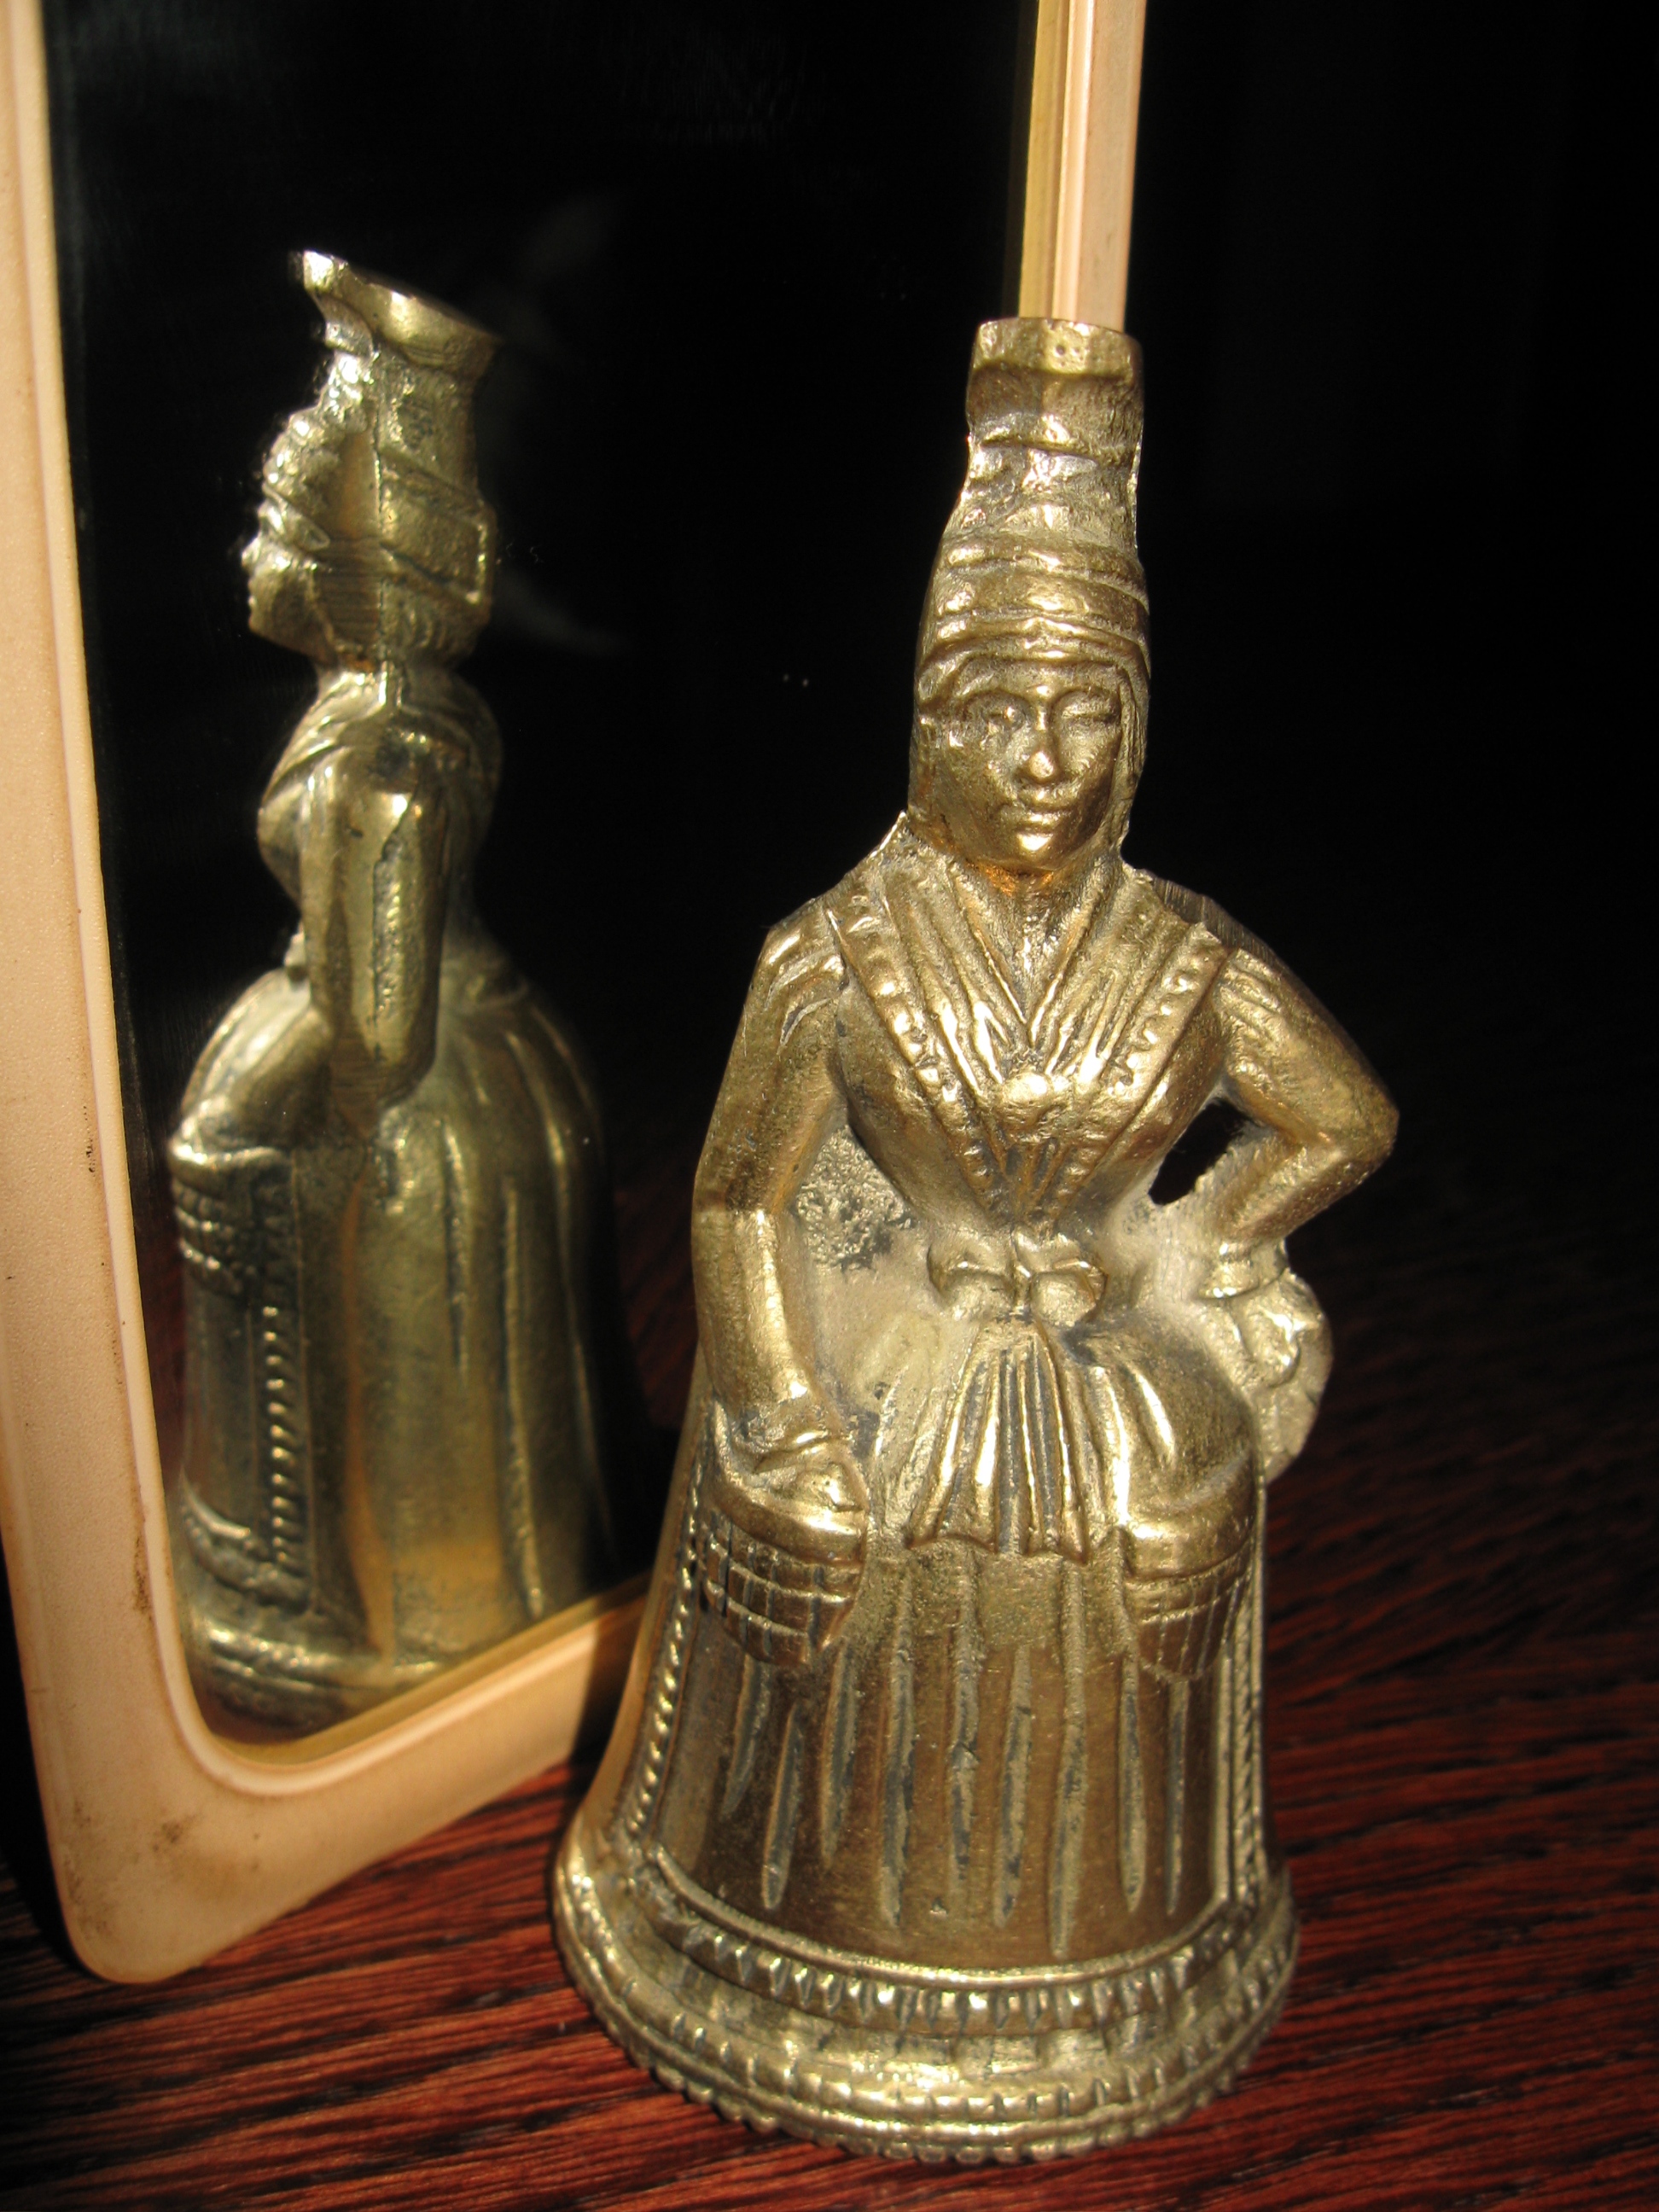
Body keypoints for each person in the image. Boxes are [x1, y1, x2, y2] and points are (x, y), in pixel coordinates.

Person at [556, 317, 1397, 2157]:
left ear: (1138, 726)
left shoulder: (1185, 956)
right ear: (929, 719)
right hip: (896, 1377)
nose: (1041, 757)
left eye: (1087, 711)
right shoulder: (833, 956)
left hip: (1103, 1401)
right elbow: (738, 1194)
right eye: (998, 710)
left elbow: (1345, 1117)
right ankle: (766, 1939)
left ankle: (1123, 1968)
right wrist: (782, 1408)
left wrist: (1211, 1244)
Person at [170, 255, 620, 1727]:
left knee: (384, 1427)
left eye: (277, 523)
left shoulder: (376, 755)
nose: (253, 547)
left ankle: (388, 1618)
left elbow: (368, 1031)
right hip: (474, 1079)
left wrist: (232, 1125)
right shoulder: (407, 714)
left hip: (398, 1132)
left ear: (352, 561)